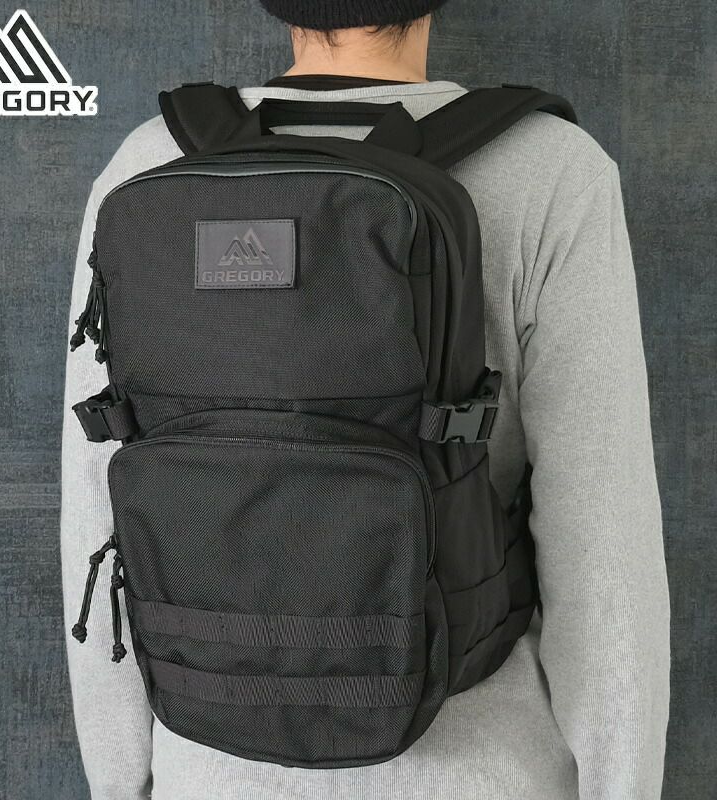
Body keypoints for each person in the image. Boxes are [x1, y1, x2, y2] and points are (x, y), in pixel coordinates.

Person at [61, 2, 670, 797]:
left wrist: (120, 780)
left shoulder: (149, 160)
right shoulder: (549, 167)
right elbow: (603, 543)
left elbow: (95, 503)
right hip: (478, 766)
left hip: (209, 760)